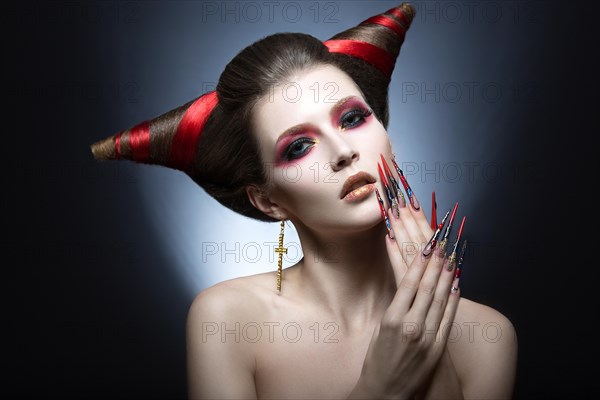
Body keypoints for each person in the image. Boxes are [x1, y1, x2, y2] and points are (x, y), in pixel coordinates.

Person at [91, 3, 517, 399]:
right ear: (267, 201)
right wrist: (377, 390)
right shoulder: (228, 321)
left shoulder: (487, 337)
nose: (343, 151)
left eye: (352, 118)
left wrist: (427, 335)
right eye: (298, 147)